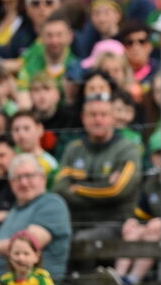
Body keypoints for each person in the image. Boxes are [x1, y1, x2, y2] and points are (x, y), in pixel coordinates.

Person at [52, 95, 142, 241]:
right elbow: (59, 187)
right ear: (83, 118)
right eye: (92, 115)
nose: (98, 120)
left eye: (103, 115)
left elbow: (117, 191)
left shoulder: (128, 149)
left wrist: (77, 187)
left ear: (113, 118)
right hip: (77, 220)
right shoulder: (73, 149)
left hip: (115, 222)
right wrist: (102, 186)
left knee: (82, 239)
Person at [0, 153, 72, 285]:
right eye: (17, 178)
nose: (23, 182)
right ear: (10, 183)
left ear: (43, 178)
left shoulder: (52, 204)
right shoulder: (15, 209)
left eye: (29, 176)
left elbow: (29, 242)